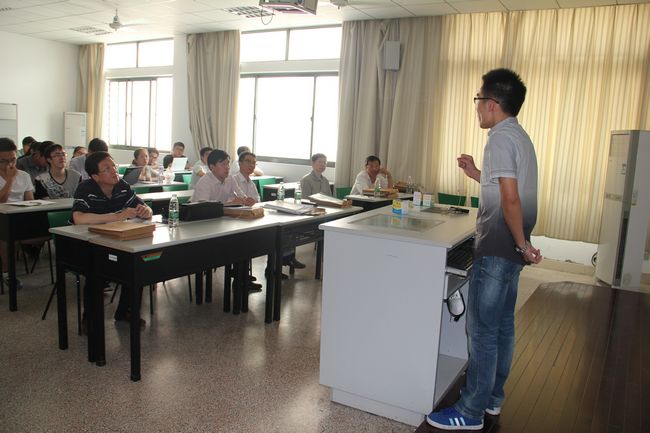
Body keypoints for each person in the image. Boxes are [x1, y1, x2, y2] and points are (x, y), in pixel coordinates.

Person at [426, 68, 542, 431]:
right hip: (510, 250)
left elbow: (510, 199)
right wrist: (477, 173)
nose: (476, 106)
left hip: (497, 247)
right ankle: (492, 398)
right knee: (502, 326)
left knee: (482, 332)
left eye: (478, 100)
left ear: (492, 103)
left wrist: (522, 244)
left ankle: (470, 410)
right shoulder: (519, 136)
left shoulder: (499, 139)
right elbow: (505, 187)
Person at [72, 151, 152, 326]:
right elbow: (79, 218)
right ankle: (90, 318)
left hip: (116, 239)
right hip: (88, 242)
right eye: (107, 168)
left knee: (136, 265)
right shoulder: (86, 188)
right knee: (94, 271)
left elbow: (145, 207)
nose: (114, 170)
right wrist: (117, 216)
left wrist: (146, 211)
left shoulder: (122, 186)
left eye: (114, 166)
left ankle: (126, 312)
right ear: (95, 176)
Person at [0, 137, 35, 288]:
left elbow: (30, 201)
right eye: (4, 161)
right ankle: (7, 273)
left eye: (13, 160)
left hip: (19, 216)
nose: (10, 164)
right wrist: (9, 180)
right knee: (6, 236)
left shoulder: (24, 175)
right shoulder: (12, 176)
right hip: (2, 218)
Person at [232, 151, 263, 291]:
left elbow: (257, 201)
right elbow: (235, 202)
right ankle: (240, 278)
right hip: (235, 221)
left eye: (254, 163)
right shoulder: (233, 180)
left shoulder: (251, 183)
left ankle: (244, 276)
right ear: (240, 163)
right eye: (248, 161)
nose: (252, 165)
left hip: (249, 220)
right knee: (244, 244)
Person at [191, 149, 255, 206]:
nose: (227, 167)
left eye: (228, 163)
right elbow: (203, 206)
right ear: (212, 167)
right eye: (223, 164)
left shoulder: (230, 178)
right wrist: (230, 204)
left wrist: (246, 200)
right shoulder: (205, 182)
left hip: (222, 214)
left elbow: (241, 194)